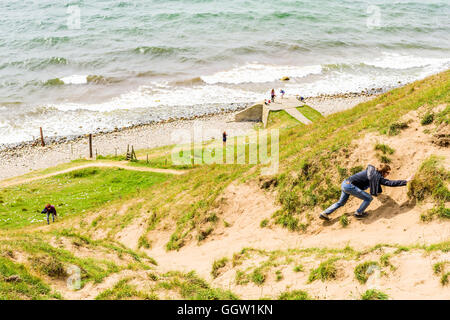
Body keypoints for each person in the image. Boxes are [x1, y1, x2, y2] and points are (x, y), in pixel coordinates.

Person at [319, 164, 413, 220]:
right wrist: (406, 181)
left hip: (345, 183)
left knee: (340, 203)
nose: (388, 175)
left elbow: (375, 183)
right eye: (388, 173)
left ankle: (325, 213)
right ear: (383, 172)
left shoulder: (372, 172)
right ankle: (358, 213)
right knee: (368, 198)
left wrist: (378, 192)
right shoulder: (377, 177)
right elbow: (390, 183)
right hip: (350, 186)